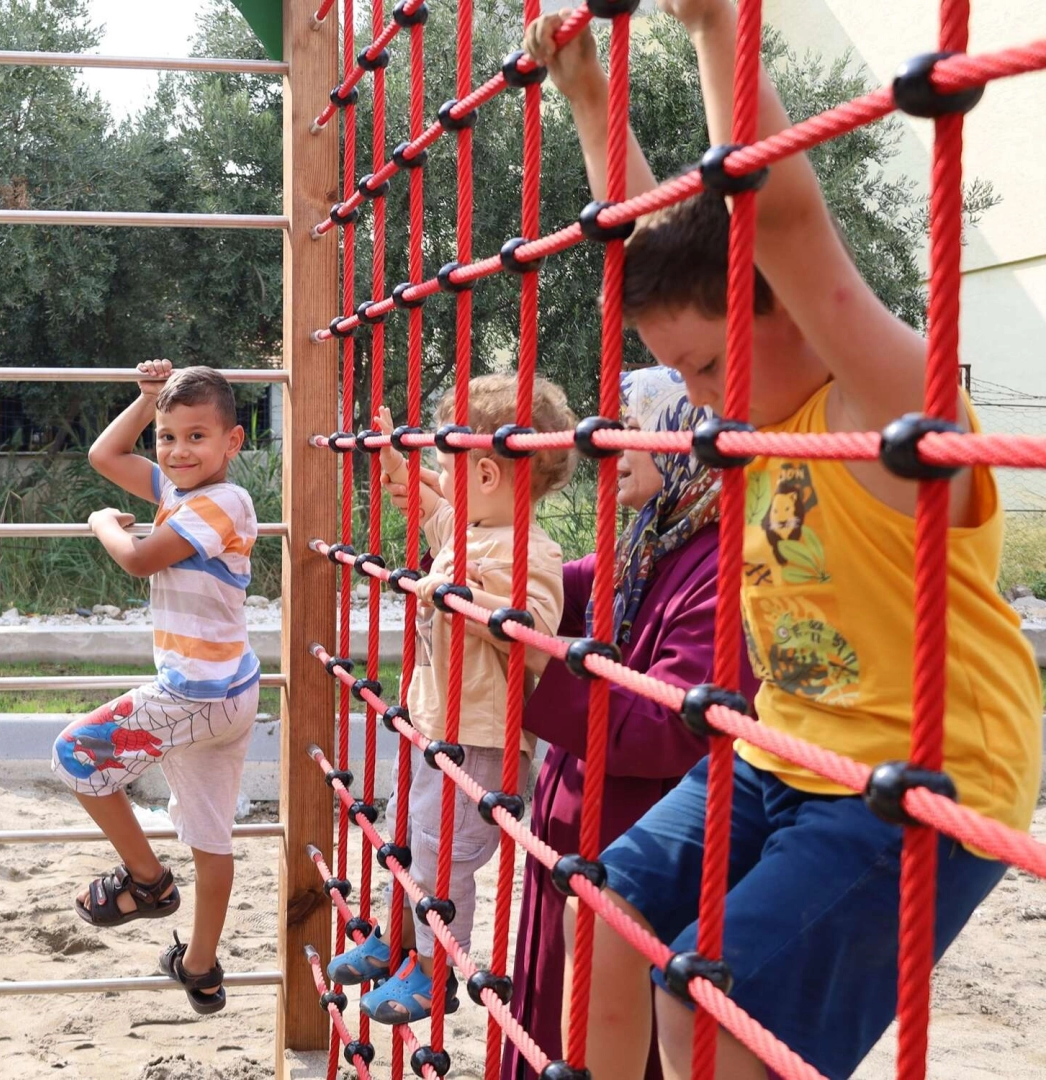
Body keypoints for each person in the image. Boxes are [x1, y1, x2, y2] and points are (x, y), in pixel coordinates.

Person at [529, 4, 1042, 1078]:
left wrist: (720, 28)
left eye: (710, 367)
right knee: (606, 908)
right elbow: (660, 245)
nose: (696, 400)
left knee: (711, 992)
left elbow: (792, 230)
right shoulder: (754, 416)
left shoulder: (887, 405)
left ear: (799, 318)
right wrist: (587, 93)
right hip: (784, 746)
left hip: (925, 773)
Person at [506, 366, 758, 1080]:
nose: (605, 451)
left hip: (637, 848)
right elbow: (553, 585)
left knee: (602, 1035)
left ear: (683, 441)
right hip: (576, 834)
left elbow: (673, 727)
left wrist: (535, 674)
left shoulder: (725, 564)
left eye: (629, 433)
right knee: (547, 1011)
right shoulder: (650, 539)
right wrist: (467, 520)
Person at [325, 373, 577, 1023]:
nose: (441, 478)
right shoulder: (469, 530)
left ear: (488, 476)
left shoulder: (531, 551)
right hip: (440, 722)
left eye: (447, 465)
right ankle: (402, 941)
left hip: (485, 737)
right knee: (406, 837)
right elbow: (430, 507)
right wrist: (401, 467)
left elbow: (538, 628)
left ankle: (439, 970)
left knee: (446, 858)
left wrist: (465, 599)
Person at [55, 360, 260, 1015]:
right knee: (210, 834)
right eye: (168, 436)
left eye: (197, 436)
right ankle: (200, 967)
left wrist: (103, 525)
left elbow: (140, 558)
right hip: (224, 693)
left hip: (194, 699)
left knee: (77, 753)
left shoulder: (223, 503)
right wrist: (146, 402)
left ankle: (147, 883)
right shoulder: (175, 491)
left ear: (233, 442)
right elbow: (104, 453)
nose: (177, 449)